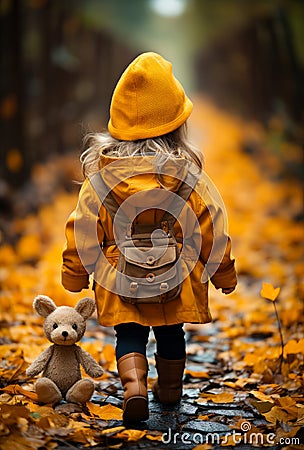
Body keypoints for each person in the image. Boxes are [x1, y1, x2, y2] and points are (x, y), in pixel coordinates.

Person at [61, 52, 237, 422]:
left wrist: (75, 274)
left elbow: (82, 229)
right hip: (177, 274)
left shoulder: (102, 178)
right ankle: (170, 391)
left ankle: (134, 388)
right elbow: (210, 227)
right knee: (172, 331)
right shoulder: (187, 177)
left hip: (119, 275)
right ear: (176, 126)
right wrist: (222, 273)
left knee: (129, 332)